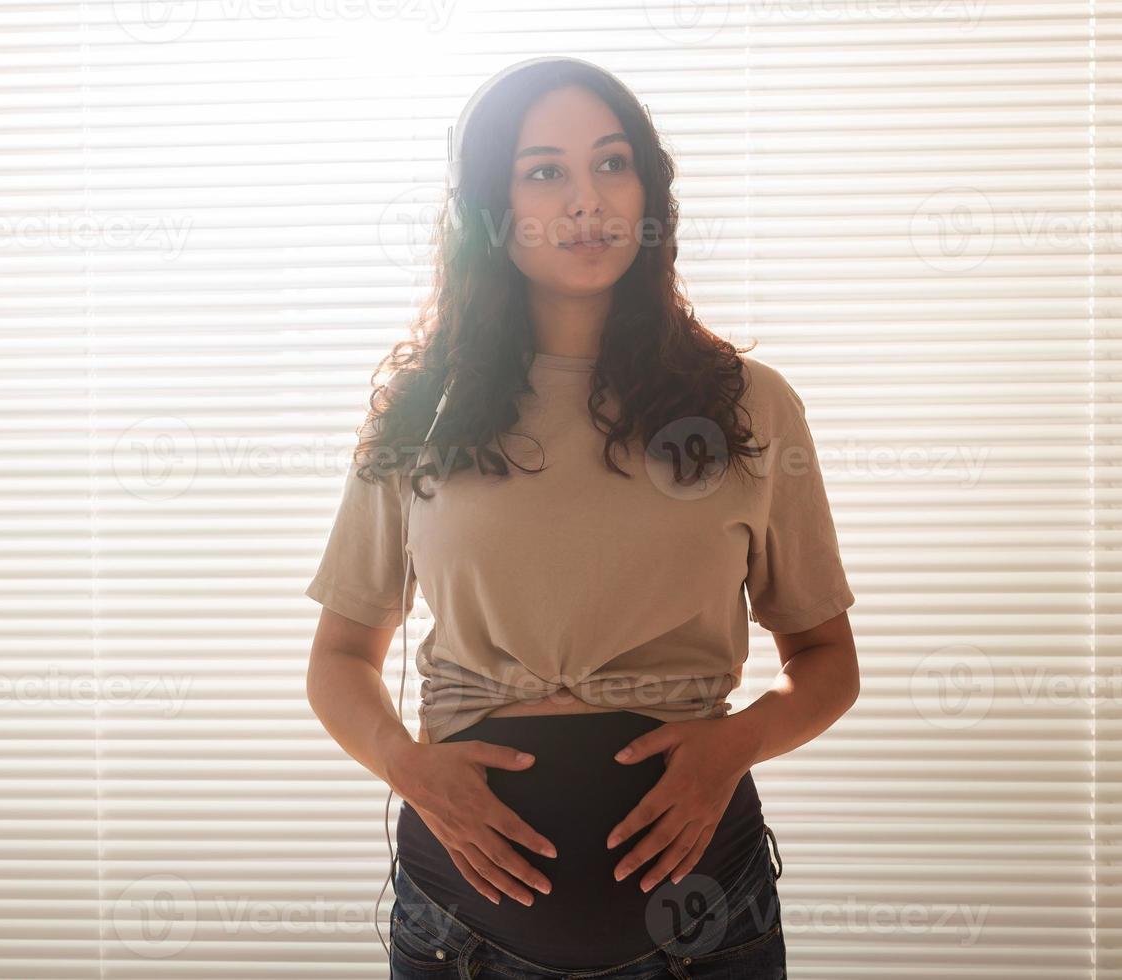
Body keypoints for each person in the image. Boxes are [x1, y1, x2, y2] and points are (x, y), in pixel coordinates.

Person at [304, 56, 859, 978]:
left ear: (649, 190)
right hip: (460, 931)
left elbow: (828, 662)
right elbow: (339, 657)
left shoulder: (750, 408)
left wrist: (736, 744)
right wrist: (405, 764)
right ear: (493, 206)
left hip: (708, 932)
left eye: (611, 163)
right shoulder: (424, 412)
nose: (585, 200)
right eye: (544, 171)